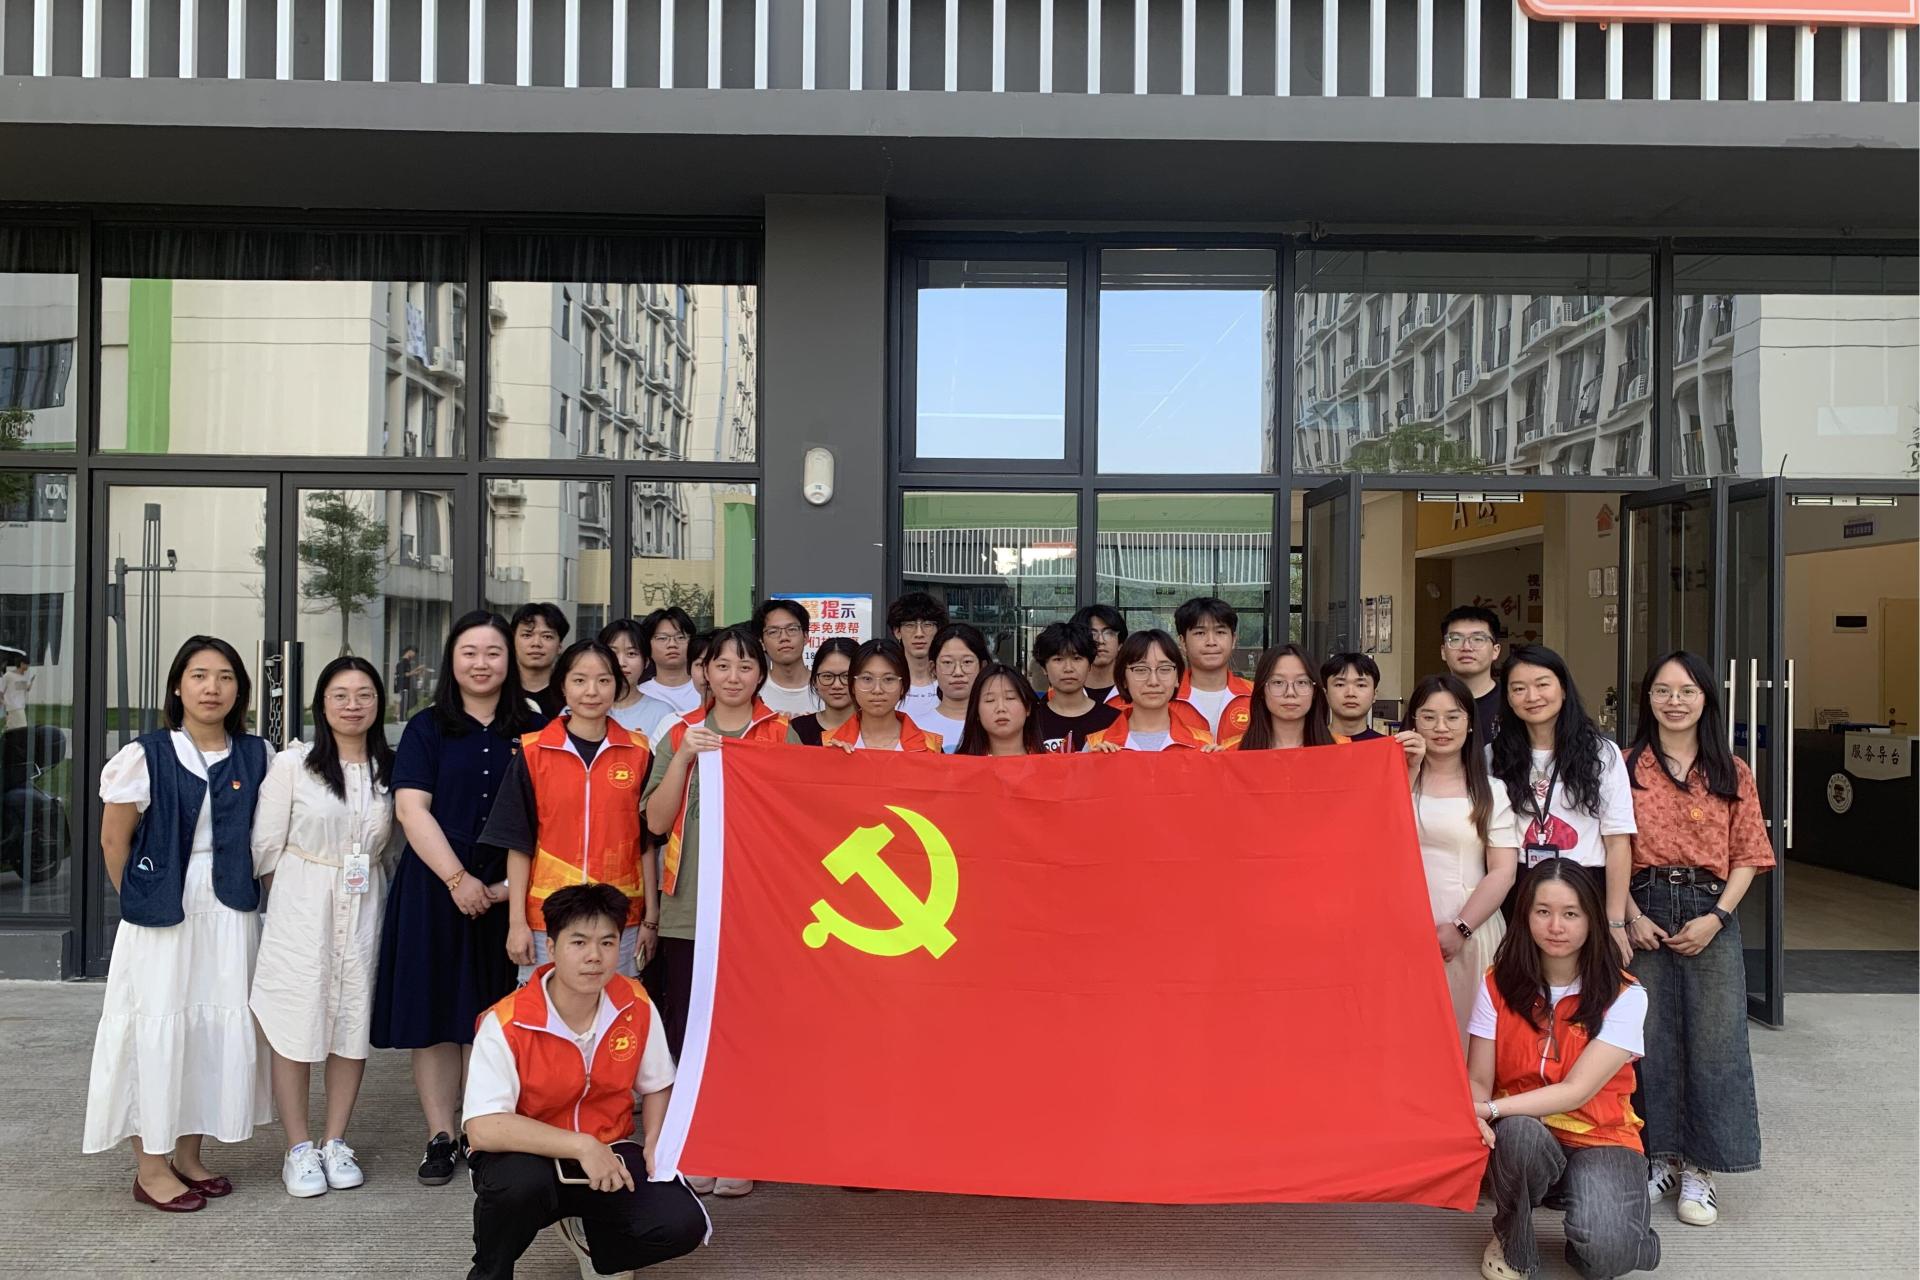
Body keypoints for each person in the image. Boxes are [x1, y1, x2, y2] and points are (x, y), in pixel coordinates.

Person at [86, 636, 274, 1212]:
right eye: (198, 675)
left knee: (208, 1029)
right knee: (159, 1023)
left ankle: (189, 1156)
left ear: (239, 689)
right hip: (165, 911)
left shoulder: (258, 754)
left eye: (224, 676)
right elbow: (114, 841)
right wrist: (144, 899)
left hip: (230, 911)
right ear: (177, 686)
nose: (212, 687)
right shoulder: (146, 755)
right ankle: (150, 1167)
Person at [372, 610, 544, 1188]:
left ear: (509, 661)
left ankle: (481, 1130)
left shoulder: (535, 726)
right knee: (436, 1018)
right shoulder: (427, 727)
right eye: (470, 652)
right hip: (435, 889)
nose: (481, 663)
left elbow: (553, 814)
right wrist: (458, 880)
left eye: (493, 652)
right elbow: (410, 809)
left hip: (511, 891)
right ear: (452, 659)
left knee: (492, 1017)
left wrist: (505, 889)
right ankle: (440, 1135)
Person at [464, 882, 707, 1280]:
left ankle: (596, 1244)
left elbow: (659, 1084)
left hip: (611, 1149)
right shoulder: (506, 1022)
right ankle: (491, 1270)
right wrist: (580, 1145)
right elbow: (483, 1127)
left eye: (607, 943)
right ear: (552, 946)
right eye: (579, 942)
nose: (595, 956)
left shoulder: (635, 1003)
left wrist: (656, 1141)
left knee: (682, 1223)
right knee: (517, 1188)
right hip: (527, 1156)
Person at [1623, 651, 1773, 1228]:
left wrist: (1717, 917)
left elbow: (1748, 853)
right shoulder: (1626, 766)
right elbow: (1612, 846)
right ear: (1648, 699)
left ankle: (1702, 1168)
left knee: (1716, 1040)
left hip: (1711, 907)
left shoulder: (1730, 770)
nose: (1675, 701)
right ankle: (1658, 1156)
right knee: (1648, 1034)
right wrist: (1629, 915)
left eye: (1686, 691)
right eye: (1662, 690)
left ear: (1706, 698)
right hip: (1643, 905)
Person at [643, 626, 792, 1199]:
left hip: (758, 909)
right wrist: (684, 756)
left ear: (761, 674)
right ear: (705, 671)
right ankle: (699, 1143)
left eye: (745, 666)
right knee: (690, 1028)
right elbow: (656, 822)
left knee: (749, 1028)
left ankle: (743, 1145)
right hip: (689, 907)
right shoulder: (678, 731)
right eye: (722, 666)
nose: (733, 677)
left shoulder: (780, 732)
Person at [249, 656, 399, 1198]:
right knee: (297, 1019)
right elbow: (265, 845)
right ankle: (298, 1147)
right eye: (340, 695)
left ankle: (335, 1140)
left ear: (379, 703)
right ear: (322, 704)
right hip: (302, 903)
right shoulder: (295, 765)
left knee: (351, 1020)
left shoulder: (389, 770)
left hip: (364, 902)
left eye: (364, 694)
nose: (352, 705)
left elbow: (392, 846)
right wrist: (293, 898)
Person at [1469, 858, 1660, 1280]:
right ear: (1526, 916)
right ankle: (1512, 1239)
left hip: (1600, 1137)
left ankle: (1614, 1229)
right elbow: (1478, 1079)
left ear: (1592, 919)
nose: (1556, 926)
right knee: (1517, 1133)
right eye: (1543, 911)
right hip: (1524, 1134)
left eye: (1571, 914)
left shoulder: (1626, 994)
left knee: (1609, 1256)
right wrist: (1476, 1113)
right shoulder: (1497, 983)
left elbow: (1576, 1090)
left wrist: (1490, 1109)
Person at [485, 640, 653, 984]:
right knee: (545, 1008)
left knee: (615, 1007)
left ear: (617, 686)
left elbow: (649, 842)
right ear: (562, 685)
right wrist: (517, 923)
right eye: (579, 680)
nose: (592, 691)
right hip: (547, 918)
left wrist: (651, 919)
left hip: (621, 917)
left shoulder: (638, 752)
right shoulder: (533, 751)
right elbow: (518, 844)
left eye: (603, 680)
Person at [1490, 644, 1636, 965]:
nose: (1532, 696)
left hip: (1583, 885)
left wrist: (1615, 921)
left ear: (1564, 689)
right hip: (1518, 886)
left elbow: (1618, 842)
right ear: (1508, 698)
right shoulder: (1493, 756)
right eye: (1519, 688)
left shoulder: (1602, 754)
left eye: (1542, 684)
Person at [1405, 673, 1518, 1051]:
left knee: (1469, 1043)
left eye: (1453, 717)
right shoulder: (1395, 782)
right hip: (1403, 931)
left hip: (1471, 929)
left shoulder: (1491, 791)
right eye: (1429, 717)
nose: (1441, 728)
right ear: (1413, 722)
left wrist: (1461, 928)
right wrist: (1408, 770)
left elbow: (1503, 871)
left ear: (1470, 724)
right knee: (1411, 1039)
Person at [1084, 631, 1216, 753]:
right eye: (1141, 669)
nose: (1153, 681)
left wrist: (1219, 763)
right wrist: (1091, 762)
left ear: (1177, 678)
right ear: (1123, 679)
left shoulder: (1203, 744)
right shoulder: (1097, 744)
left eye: (1164, 669)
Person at [823, 638, 945, 752]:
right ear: (852, 685)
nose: (877, 690)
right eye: (867, 679)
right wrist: (833, 759)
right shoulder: (829, 744)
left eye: (888, 679)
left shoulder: (931, 747)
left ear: (903, 686)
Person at [1226, 644, 1339, 750]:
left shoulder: (1342, 749)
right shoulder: (1232, 752)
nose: (1290, 692)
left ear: (1314, 691)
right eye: (1278, 682)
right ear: (1262, 691)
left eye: (1301, 682)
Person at [1169, 596, 1252, 738]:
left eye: (1220, 632)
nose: (1211, 642)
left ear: (1233, 640)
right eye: (1200, 633)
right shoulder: (1166, 695)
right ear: (1183, 642)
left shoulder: (1257, 696)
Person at [1031, 621, 1118, 753]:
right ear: (1044, 668)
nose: (1068, 668)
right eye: (1058, 659)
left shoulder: (1113, 720)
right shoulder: (1030, 721)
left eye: (1077, 658)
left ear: (1089, 665)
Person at [910, 622, 990, 753]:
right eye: (947, 662)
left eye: (967, 662)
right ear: (933, 669)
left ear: (982, 667)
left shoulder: (996, 726)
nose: (958, 672)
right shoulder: (915, 729)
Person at [601, 618, 677, 746]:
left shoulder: (663, 714)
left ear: (646, 662)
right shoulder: (580, 709)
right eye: (612, 653)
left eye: (631, 654)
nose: (621, 663)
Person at [1440, 606, 1505, 745]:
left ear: (1495, 651)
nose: (1466, 647)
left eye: (1478, 639)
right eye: (1455, 639)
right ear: (1443, 651)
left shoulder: (1511, 701)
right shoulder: (1427, 701)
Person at [956, 663, 1045, 757]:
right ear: (977, 711)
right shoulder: (959, 764)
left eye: (1010, 698)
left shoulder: (1050, 762)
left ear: (1027, 707)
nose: (1001, 708)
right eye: (990, 700)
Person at [887, 592, 949, 720]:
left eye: (927, 625)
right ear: (897, 631)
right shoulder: (886, 685)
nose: (919, 633)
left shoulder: (951, 683)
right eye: (910, 625)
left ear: (938, 630)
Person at [753, 598, 820, 716]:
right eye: (773, 632)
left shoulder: (826, 687)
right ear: (762, 643)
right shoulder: (753, 690)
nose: (784, 637)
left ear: (806, 637)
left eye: (792, 629)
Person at [786, 637, 858, 747]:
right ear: (814, 681)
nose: (837, 685)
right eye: (827, 676)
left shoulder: (875, 728)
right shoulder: (795, 729)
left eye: (846, 676)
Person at [636, 607, 701, 718]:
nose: (672, 644)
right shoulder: (639, 694)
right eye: (662, 638)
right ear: (647, 645)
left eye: (680, 637)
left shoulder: (705, 689)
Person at [511, 603, 571, 721]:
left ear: (560, 645)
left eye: (547, 636)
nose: (536, 643)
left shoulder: (570, 696)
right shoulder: (498, 692)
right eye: (527, 635)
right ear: (513, 641)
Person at [1070, 604, 1128, 705]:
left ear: (1120, 644)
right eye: (1092, 634)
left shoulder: (1135, 691)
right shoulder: (1060, 693)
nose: (1100, 641)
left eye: (1109, 633)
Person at [1321, 651, 1387, 740]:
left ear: (1374, 694)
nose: (1350, 693)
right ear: (1325, 693)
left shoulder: (1386, 746)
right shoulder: (1309, 744)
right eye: (1340, 684)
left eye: (1361, 685)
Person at [1, 649, 31, 731]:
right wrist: (5, 703)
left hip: (20, 706)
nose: (28, 666)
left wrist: (31, 682)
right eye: (27, 664)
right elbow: (1, 691)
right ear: (21, 664)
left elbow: (24, 688)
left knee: (12, 729)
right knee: (22, 728)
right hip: (14, 707)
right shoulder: (8, 675)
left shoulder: (23, 676)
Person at [393, 644, 424, 721]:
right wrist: (417, 668)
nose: (414, 655)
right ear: (409, 651)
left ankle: (400, 717)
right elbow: (405, 674)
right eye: (414, 653)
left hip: (402, 686)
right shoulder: (404, 662)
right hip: (403, 686)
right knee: (403, 703)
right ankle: (401, 718)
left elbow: (408, 673)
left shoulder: (405, 662)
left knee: (404, 702)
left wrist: (417, 672)